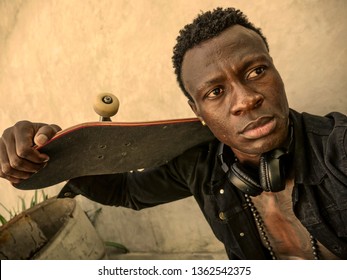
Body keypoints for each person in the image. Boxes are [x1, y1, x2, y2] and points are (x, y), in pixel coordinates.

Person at [0, 7, 346, 260]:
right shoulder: (201, 164)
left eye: (256, 71)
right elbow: (127, 192)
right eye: (215, 92)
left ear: (276, 71)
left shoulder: (339, 149)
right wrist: (60, 154)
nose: (246, 99)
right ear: (198, 112)